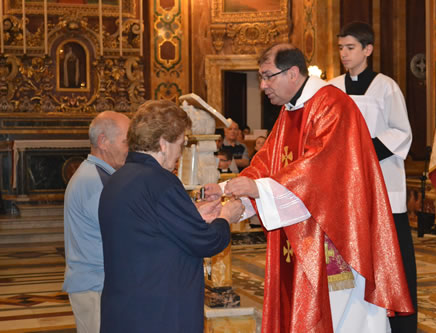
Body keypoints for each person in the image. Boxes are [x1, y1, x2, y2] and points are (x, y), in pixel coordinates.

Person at [206, 44, 413, 332]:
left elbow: (319, 171)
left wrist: (258, 189)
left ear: (292, 73)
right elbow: (267, 164)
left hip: (335, 237)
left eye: (268, 77)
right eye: (260, 78)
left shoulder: (331, 105)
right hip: (302, 235)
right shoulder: (291, 111)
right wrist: (227, 188)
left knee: (344, 315)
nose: (263, 86)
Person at [98, 100, 244, 333]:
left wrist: (194, 214)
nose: (180, 152)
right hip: (159, 314)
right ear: (164, 144)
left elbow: (152, 228)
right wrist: (225, 216)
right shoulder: (160, 181)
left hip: (125, 308)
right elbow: (205, 242)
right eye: (181, 144)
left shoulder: (118, 178)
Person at [329, 22, 416, 333]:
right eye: (340, 48)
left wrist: (362, 151)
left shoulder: (386, 87)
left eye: (350, 48)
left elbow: (402, 132)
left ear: (368, 49)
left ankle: (399, 322)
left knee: (390, 258)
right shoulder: (333, 87)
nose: (344, 54)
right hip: (344, 188)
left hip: (383, 185)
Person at [62, 111, 130, 333]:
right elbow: (119, 233)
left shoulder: (101, 176)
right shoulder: (93, 180)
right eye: (126, 141)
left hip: (99, 283)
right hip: (94, 286)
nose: (130, 148)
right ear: (103, 141)